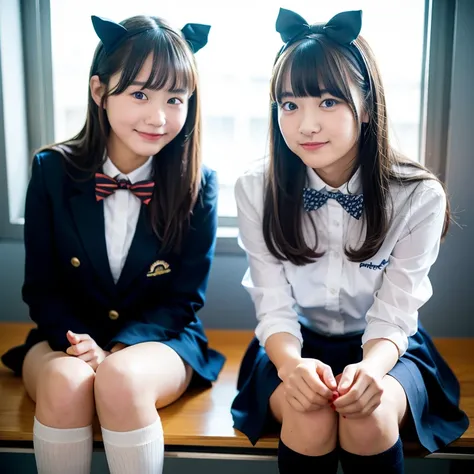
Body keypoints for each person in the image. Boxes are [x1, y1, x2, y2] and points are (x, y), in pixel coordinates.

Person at [230, 8, 468, 474]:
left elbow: (396, 313)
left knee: (368, 417)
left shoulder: (418, 195)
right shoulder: (255, 188)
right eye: (290, 104)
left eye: (328, 102)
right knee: (310, 414)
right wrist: (290, 365)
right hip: (292, 346)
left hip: (387, 349)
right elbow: (272, 304)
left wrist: (372, 369)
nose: (306, 125)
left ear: (366, 104)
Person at [1, 13, 225, 474]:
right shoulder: (51, 171)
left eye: (175, 98)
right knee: (67, 384)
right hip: (67, 337)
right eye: (140, 93)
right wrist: (79, 346)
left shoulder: (198, 184)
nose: (159, 117)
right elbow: (41, 288)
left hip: (159, 340)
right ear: (99, 91)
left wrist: (118, 350)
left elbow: (184, 299)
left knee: (121, 379)